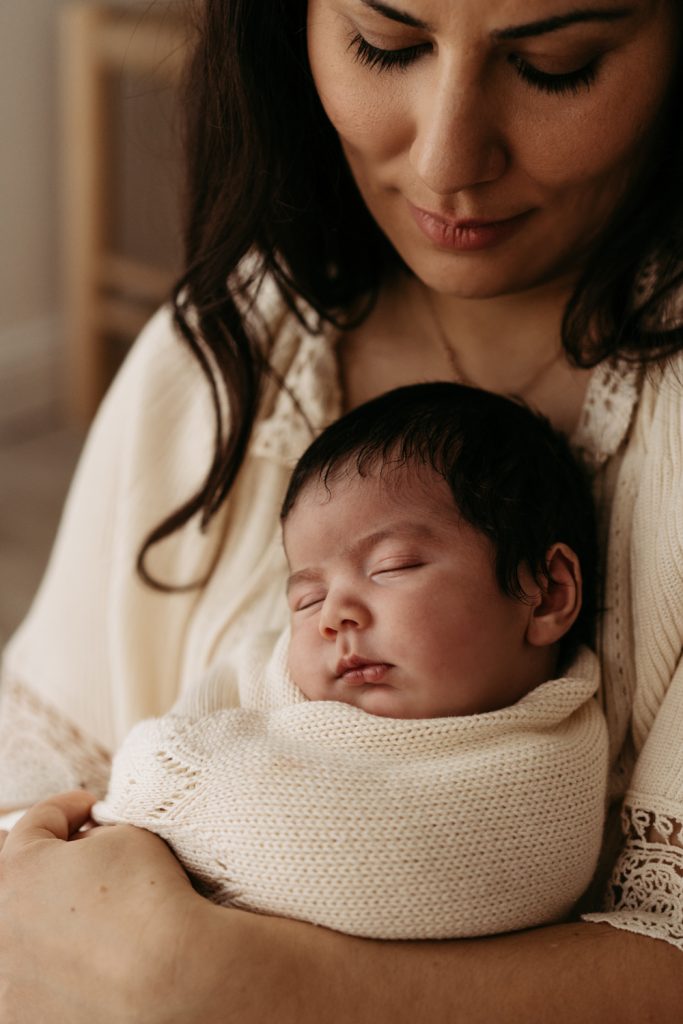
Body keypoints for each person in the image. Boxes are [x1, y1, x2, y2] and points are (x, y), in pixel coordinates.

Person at [1, 0, 682, 1019]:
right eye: (385, 45)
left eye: (554, 65)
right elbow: (45, 748)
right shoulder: (235, 343)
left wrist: (243, 983)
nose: (448, 157)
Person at [93, 383, 606, 940]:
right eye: (306, 598)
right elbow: (156, 752)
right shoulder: (266, 670)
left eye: (393, 566)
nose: (333, 615)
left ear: (547, 592)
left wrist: (173, 813)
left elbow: (382, 871)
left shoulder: (546, 780)